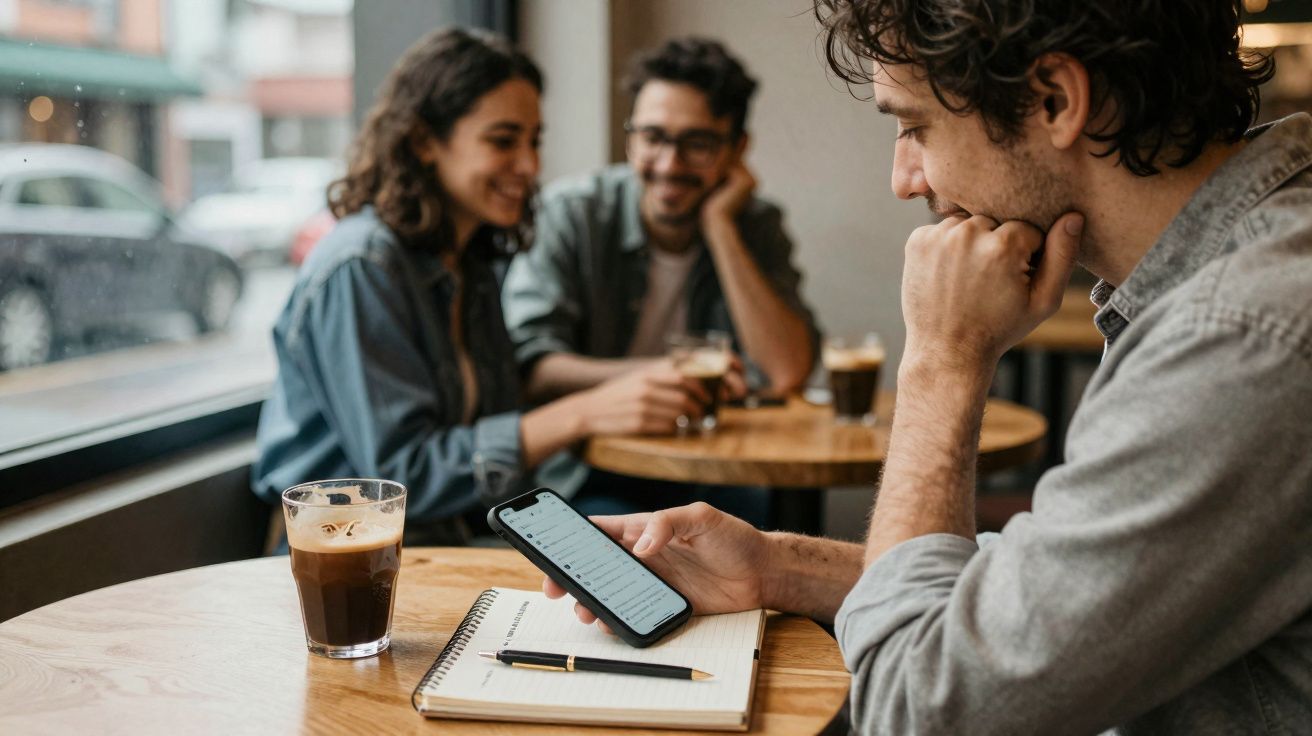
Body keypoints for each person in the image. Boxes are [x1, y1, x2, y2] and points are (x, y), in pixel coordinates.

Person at [546, 1, 1312, 733]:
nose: (905, 178)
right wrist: (773, 566)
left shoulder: (1241, 336)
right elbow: (1056, 588)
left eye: (915, 127)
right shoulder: (1232, 284)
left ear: (1052, 99)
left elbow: (919, 711)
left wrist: (941, 362)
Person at [252, 28, 710, 545]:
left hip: (456, 540)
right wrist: (583, 412)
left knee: (673, 547)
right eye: (503, 140)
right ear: (425, 140)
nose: (531, 166)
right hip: (347, 561)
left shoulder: (470, 262)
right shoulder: (361, 266)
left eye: (534, 141)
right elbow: (404, 481)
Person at [501, 37, 822, 515]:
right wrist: (653, 378)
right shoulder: (573, 214)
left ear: (738, 150)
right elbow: (531, 367)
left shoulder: (753, 223)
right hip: (587, 469)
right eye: (652, 138)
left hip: (712, 470)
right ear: (630, 138)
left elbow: (786, 371)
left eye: (697, 144)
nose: (669, 166)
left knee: (771, 524)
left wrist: (721, 230)